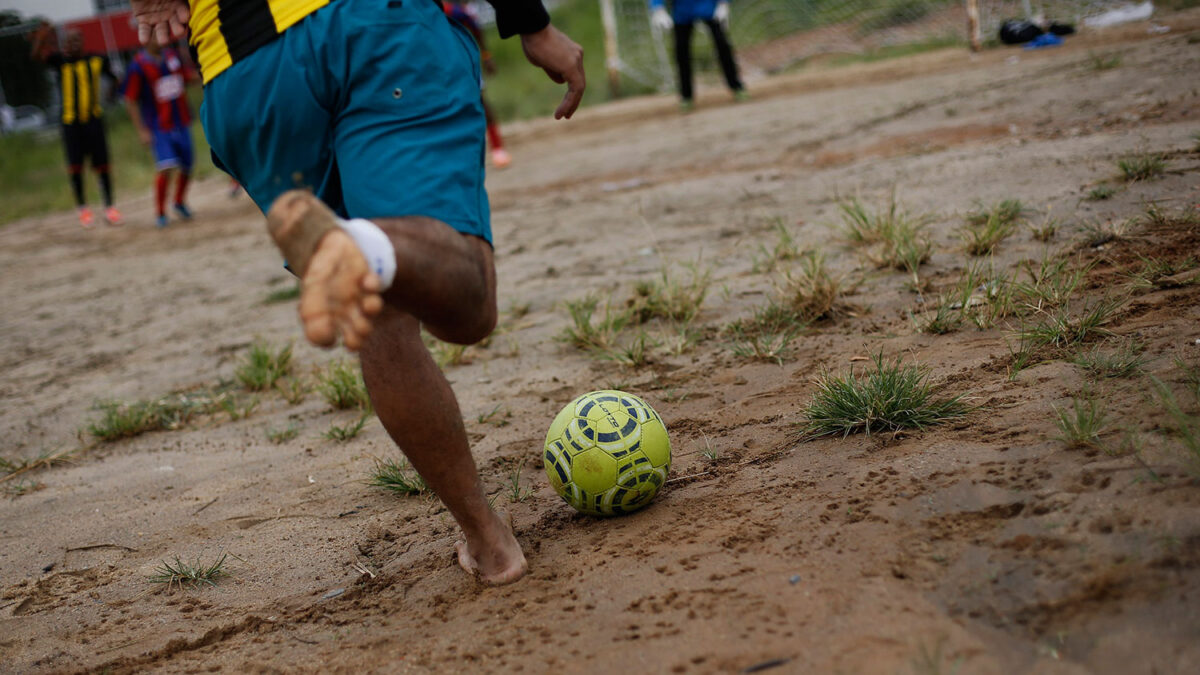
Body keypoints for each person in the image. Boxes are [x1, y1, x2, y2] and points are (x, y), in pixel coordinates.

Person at [129, 0, 584, 586]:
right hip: (375, 25)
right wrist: (530, 20)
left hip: (246, 70)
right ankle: (366, 244)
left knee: (375, 311)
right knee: (469, 304)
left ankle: (489, 542)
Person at [30, 26, 122, 227]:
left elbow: (115, 79)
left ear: (81, 42)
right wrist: (41, 39)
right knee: (75, 168)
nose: (70, 45)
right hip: (71, 124)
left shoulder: (96, 61)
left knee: (103, 165)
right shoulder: (60, 62)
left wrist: (111, 95)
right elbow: (36, 56)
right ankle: (83, 209)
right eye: (67, 42)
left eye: (74, 41)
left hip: (93, 121)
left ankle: (109, 207)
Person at [122, 37, 196, 228]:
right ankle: (161, 213)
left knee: (187, 164)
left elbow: (186, 78)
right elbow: (130, 100)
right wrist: (142, 130)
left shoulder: (172, 57)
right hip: (159, 126)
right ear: (145, 38)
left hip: (181, 120)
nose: (160, 37)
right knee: (166, 166)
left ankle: (179, 202)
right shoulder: (138, 66)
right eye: (154, 33)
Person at [444, 0, 512, 168]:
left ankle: (497, 148)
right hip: (440, 68)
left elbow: (475, 27)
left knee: (481, 103)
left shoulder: (452, 11)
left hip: (464, 63)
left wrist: (486, 55)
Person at [649, 0, 746, 111]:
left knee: (722, 44)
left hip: (709, 7)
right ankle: (686, 96)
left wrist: (723, 3)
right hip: (682, 11)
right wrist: (658, 9)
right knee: (681, 51)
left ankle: (737, 86)